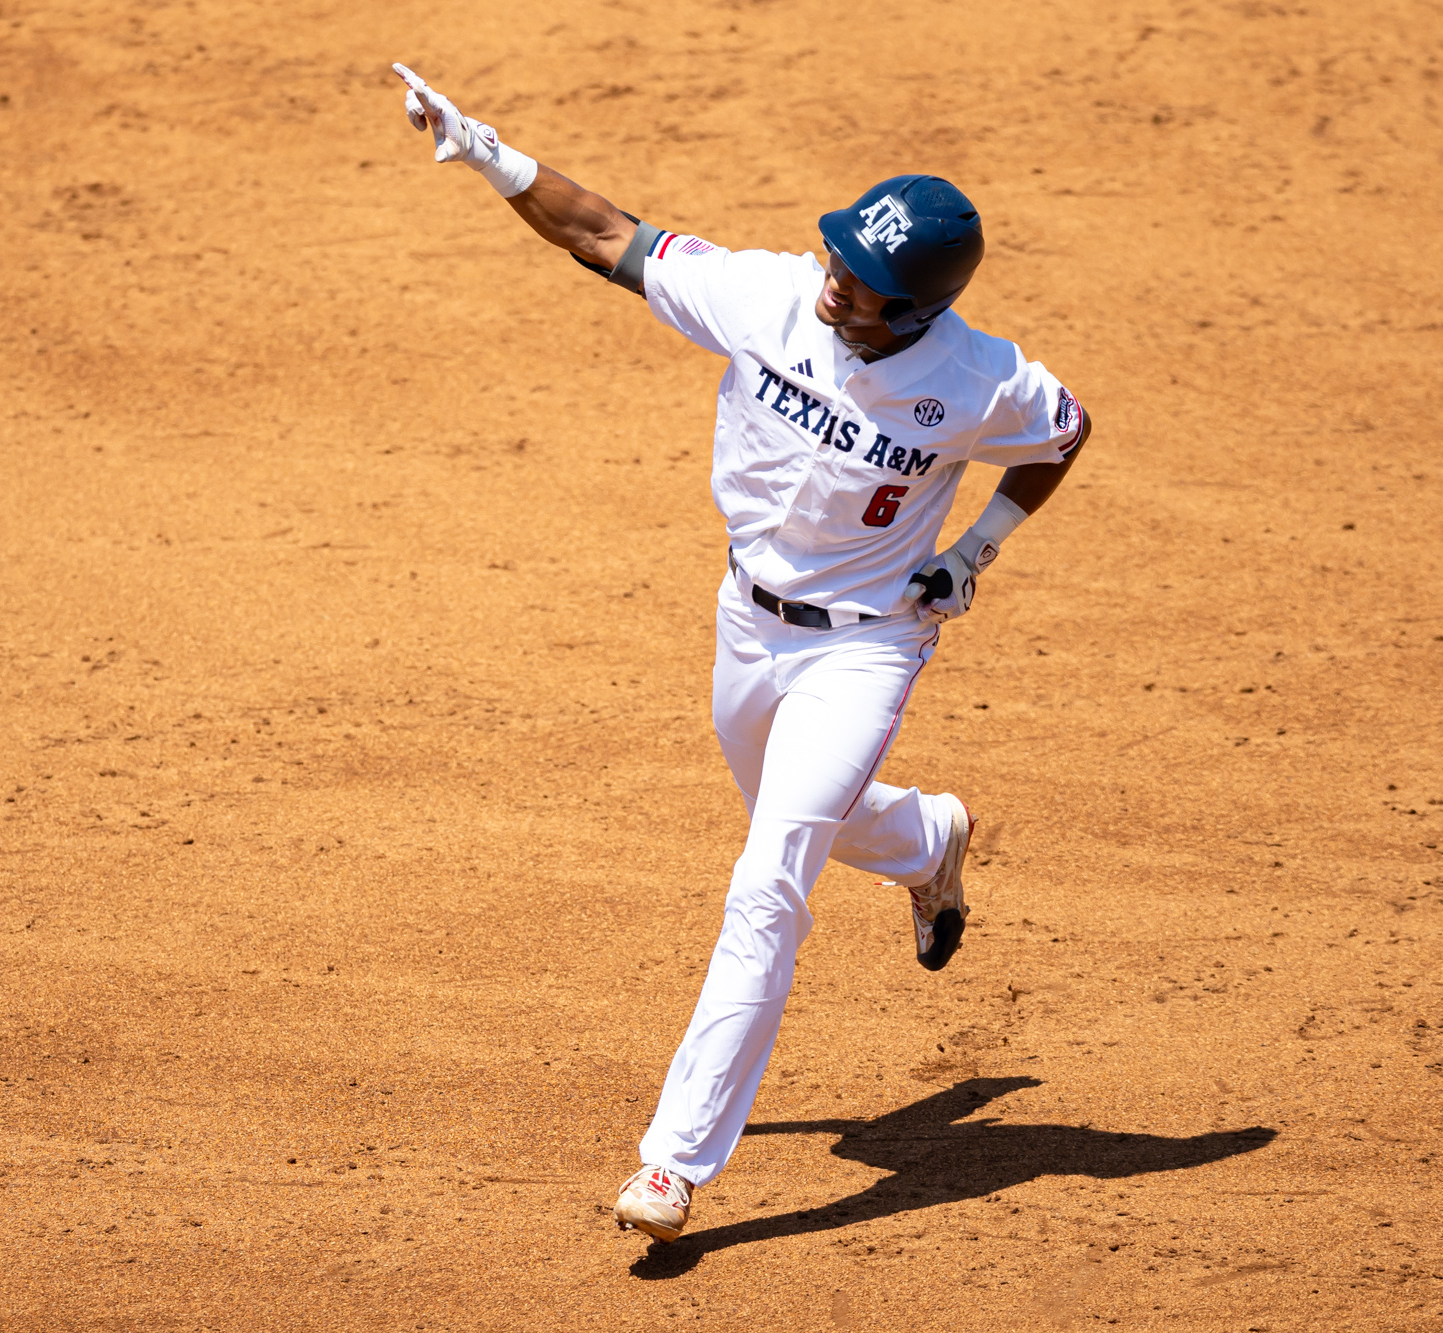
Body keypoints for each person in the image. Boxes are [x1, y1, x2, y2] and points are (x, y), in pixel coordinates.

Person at [392, 64, 1091, 1244]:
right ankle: (928, 837)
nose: (834, 291)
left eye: (862, 289)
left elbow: (1062, 434)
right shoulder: (767, 296)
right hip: (745, 623)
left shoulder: (976, 380)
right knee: (790, 808)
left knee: (767, 883)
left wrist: (974, 551)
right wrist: (484, 151)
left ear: (916, 312)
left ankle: (671, 1165)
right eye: (835, 264)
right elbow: (605, 232)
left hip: (865, 648)